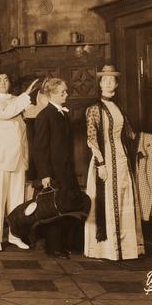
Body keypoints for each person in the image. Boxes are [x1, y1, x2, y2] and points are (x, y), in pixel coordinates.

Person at [84, 65, 145, 260]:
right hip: (104, 160)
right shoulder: (94, 109)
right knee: (107, 198)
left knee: (123, 196)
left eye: (112, 79)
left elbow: (131, 134)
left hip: (121, 158)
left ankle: (126, 249)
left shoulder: (119, 109)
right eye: (105, 79)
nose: (109, 82)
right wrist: (100, 164)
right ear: (100, 84)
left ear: (117, 84)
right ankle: (106, 249)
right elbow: (92, 138)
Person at [32, 78, 91, 258]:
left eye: (66, 91)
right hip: (54, 171)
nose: (67, 94)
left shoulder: (63, 114)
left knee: (66, 206)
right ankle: (54, 248)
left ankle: (66, 244)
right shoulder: (45, 115)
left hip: (66, 169)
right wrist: (45, 174)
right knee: (54, 208)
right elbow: (40, 148)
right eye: (62, 92)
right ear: (51, 94)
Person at [0, 72, 39, 251]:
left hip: (19, 158)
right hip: (0, 159)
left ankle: (15, 236)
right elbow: (7, 113)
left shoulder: (17, 100)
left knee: (17, 201)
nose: (3, 82)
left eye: (6, 79)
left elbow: (33, 113)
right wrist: (26, 94)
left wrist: (45, 97)